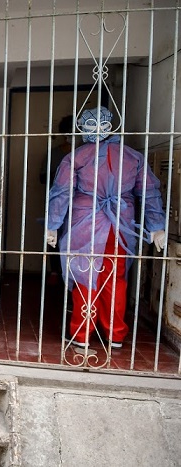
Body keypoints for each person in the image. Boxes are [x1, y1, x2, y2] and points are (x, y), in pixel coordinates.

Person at [46, 106, 166, 349]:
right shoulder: (133, 156)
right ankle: (115, 334)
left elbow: (61, 193)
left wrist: (52, 225)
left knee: (84, 276)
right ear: (110, 127)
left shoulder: (77, 156)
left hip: (84, 223)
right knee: (115, 278)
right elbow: (149, 192)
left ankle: (81, 334)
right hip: (119, 225)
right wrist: (156, 226)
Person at [41, 115, 76, 284]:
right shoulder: (54, 153)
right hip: (56, 201)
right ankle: (55, 271)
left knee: (75, 239)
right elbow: (42, 178)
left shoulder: (84, 153)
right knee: (53, 235)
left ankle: (72, 275)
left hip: (79, 206)